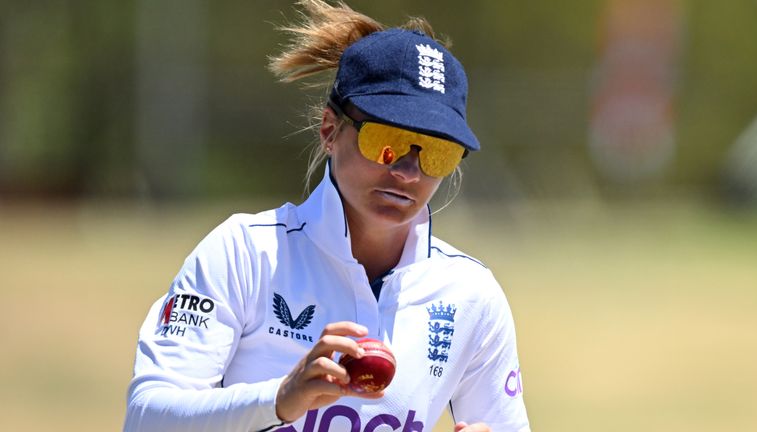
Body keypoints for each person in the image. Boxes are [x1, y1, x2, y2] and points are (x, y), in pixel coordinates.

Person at [123, 1, 531, 431]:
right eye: (386, 140)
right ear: (329, 131)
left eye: (437, 152)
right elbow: (146, 417)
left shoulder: (472, 295)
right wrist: (280, 398)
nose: (409, 171)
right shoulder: (245, 252)